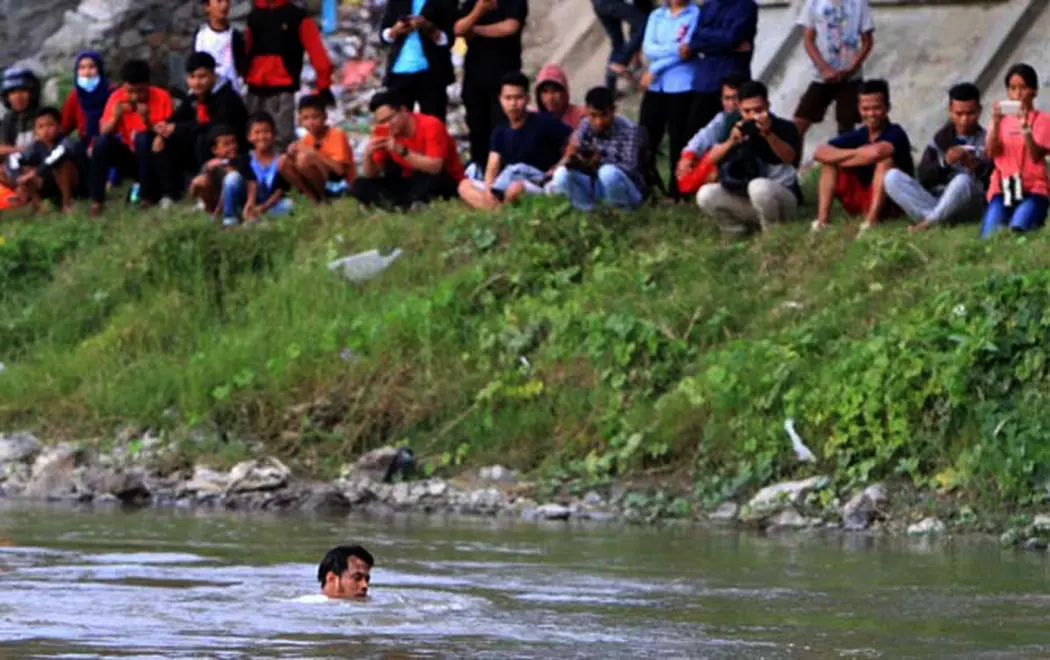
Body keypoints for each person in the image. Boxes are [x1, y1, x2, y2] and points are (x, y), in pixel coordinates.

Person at [695, 81, 801, 232]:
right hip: (745, 197)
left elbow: (790, 158)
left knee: (758, 187)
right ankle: (736, 230)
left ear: (768, 105)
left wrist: (768, 134)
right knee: (705, 194)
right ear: (739, 108)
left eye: (758, 110)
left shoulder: (784, 127)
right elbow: (710, 159)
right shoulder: (733, 125)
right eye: (747, 111)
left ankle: (773, 230)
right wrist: (731, 142)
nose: (753, 116)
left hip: (781, 198)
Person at [884, 82, 991, 232]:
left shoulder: (987, 140)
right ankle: (937, 219)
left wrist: (977, 167)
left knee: (962, 180)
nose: (964, 120)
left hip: (970, 204)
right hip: (937, 200)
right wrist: (945, 162)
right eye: (959, 114)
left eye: (970, 113)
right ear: (950, 111)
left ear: (979, 111)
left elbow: (993, 181)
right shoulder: (941, 138)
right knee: (891, 177)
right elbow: (924, 177)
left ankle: (928, 223)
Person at [810, 79, 913, 233]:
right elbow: (819, 153)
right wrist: (856, 154)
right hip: (860, 198)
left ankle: (871, 222)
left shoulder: (896, 133)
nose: (871, 114)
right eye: (866, 109)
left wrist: (843, 159)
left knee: (885, 161)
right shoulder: (858, 135)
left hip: (890, 204)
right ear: (859, 108)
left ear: (887, 107)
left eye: (876, 108)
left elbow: (876, 153)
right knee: (829, 163)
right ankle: (822, 221)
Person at [458, 71, 571, 210]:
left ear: (528, 99)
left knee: (515, 189)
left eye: (518, 98)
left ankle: (495, 210)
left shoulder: (544, 122)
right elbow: (492, 167)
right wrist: (488, 189)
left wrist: (559, 165)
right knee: (464, 186)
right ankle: (498, 210)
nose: (513, 103)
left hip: (536, 184)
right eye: (508, 98)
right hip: (504, 183)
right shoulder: (499, 132)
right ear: (500, 99)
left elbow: (574, 140)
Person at [150, 52, 250, 206]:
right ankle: (171, 193)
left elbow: (215, 127)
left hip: (230, 151)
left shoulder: (227, 98)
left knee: (204, 139)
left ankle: (208, 190)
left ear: (213, 75)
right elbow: (177, 119)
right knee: (163, 142)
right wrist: (162, 132)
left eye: (202, 76)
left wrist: (177, 128)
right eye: (192, 77)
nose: (197, 82)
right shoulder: (194, 97)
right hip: (198, 147)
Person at [89, 60, 175, 215]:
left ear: (148, 85)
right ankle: (97, 200)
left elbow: (166, 132)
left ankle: (146, 196)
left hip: (153, 157)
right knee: (101, 142)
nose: (135, 96)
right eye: (130, 91)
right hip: (130, 158)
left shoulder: (162, 97)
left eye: (140, 91)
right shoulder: (117, 97)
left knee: (142, 138)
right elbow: (104, 131)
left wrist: (146, 120)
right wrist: (116, 118)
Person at [244, 0, 334, 149]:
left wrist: (323, 84)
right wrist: (323, 85)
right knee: (274, 142)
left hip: (271, 90)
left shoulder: (295, 17)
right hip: (266, 90)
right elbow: (319, 55)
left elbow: (318, 54)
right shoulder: (255, 17)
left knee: (264, 142)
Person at [355, 90, 464, 210]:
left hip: (439, 177)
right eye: (381, 122)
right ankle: (406, 204)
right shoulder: (382, 132)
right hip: (406, 181)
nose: (387, 125)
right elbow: (372, 174)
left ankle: (396, 204)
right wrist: (368, 154)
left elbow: (436, 167)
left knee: (430, 180)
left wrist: (402, 151)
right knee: (360, 185)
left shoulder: (431, 125)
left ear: (403, 110)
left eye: (389, 119)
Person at [638, 0, 699, 200]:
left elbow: (688, 50)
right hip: (656, 86)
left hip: (682, 84)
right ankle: (647, 186)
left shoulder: (695, 14)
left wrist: (654, 68)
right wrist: (675, 49)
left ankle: (679, 192)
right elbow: (649, 48)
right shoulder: (657, 15)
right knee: (645, 138)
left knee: (678, 140)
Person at [980, 63, 1050, 238]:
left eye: (1023, 88)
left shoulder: (1043, 120)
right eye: (1012, 88)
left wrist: (1025, 128)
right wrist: (995, 123)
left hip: (1034, 189)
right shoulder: (1001, 121)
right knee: (989, 236)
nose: (1017, 94)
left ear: (1033, 91)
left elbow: (1036, 155)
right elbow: (990, 152)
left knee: (1018, 230)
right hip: (1004, 189)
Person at [454, 0, 527, 167]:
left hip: (504, 74)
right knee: (477, 125)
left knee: (502, 124)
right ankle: (480, 168)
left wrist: (477, 29)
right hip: (475, 74)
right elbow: (459, 29)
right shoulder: (473, 3)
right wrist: (479, 10)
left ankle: (504, 168)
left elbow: (511, 26)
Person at [550, 86, 646, 211]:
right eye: (593, 115)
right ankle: (588, 211)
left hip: (627, 188)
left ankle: (623, 211)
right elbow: (578, 151)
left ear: (613, 110)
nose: (598, 122)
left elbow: (630, 168)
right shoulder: (585, 124)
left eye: (604, 115)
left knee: (607, 173)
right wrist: (578, 159)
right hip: (596, 183)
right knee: (561, 175)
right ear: (586, 111)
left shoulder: (629, 129)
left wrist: (599, 160)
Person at [793, 0, 874, 145]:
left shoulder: (859, 3)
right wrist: (824, 68)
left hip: (851, 77)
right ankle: (790, 162)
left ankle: (845, 162)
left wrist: (851, 68)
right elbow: (808, 39)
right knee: (799, 122)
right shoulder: (814, 3)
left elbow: (867, 41)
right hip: (822, 77)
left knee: (846, 125)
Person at [679, 0, 758, 136]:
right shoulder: (708, 6)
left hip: (733, 82)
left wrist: (706, 36)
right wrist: (727, 45)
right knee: (695, 136)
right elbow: (695, 41)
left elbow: (732, 38)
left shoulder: (746, 6)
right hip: (705, 82)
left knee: (733, 135)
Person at [379, 0, 455, 121]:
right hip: (399, 71)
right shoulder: (397, 2)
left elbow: (448, 39)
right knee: (399, 124)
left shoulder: (445, 3)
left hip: (432, 73)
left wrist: (429, 27)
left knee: (434, 122)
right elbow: (384, 35)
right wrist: (397, 30)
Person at [213, 112, 294, 227]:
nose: (262, 137)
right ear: (249, 137)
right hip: (247, 203)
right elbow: (241, 181)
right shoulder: (244, 159)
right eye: (257, 132)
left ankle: (257, 218)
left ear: (274, 134)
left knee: (289, 204)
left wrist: (263, 207)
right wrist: (217, 211)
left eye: (266, 132)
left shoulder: (281, 160)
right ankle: (230, 219)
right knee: (232, 177)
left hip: (270, 203)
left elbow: (280, 191)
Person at [676, 75, 745, 196]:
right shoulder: (723, 118)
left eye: (736, 98)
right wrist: (687, 156)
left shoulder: (757, 117)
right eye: (727, 98)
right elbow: (702, 137)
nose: (732, 103)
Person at [281, 94, 356, 202]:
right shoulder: (306, 138)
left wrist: (313, 153)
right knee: (283, 160)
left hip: (340, 184)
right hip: (320, 180)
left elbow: (339, 170)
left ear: (325, 117)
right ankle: (310, 196)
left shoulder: (337, 134)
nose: (311, 122)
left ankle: (323, 197)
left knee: (305, 159)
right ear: (300, 120)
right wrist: (291, 154)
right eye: (306, 118)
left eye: (315, 117)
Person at [13, 107, 82, 214]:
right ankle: (38, 205)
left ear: (59, 127)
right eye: (41, 127)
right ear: (36, 132)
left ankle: (66, 204)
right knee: (24, 169)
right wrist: (18, 179)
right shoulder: (34, 146)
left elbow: (56, 156)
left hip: (73, 184)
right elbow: (15, 158)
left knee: (62, 165)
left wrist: (35, 172)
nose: (46, 130)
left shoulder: (66, 142)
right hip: (48, 183)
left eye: (50, 125)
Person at [59, 52, 114, 154]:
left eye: (92, 67)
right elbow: (63, 127)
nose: (87, 72)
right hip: (85, 148)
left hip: (111, 144)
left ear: (99, 69)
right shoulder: (75, 96)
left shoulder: (112, 93)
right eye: (82, 68)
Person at [193, 0, 247, 95]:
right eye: (219, 1)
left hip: (230, 95)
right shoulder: (200, 34)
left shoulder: (234, 36)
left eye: (227, 1)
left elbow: (240, 69)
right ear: (207, 7)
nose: (224, 5)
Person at [591, 0, 647, 92]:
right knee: (643, 23)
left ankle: (610, 90)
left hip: (598, 5)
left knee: (617, 43)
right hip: (610, 3)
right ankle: (619, 62)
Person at [188, 123, 241, 219]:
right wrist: (195, 183)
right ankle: (208, 210)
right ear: (215, 150)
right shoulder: (211, 165)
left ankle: (220, 214)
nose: (232, 147)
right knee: (202, 181)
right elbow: (193, 192)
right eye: (226, 144)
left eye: (233, 142)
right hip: (214, 200)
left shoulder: (241, 162)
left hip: (235, 202)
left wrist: (230, 169)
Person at [0, 67, 41, 160]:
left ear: (32, 93)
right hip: (15, 165)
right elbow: (2, 148)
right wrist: (20, 150)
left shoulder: (43, 115)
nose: (18, 96)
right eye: (13, 92)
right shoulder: (8, 118)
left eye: (22, 91)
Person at [533, 63, 586, 129]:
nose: (550, 98)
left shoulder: (582, 118)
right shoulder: (532, 120)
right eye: (545, 91)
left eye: (555, 91)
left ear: (565, 93)